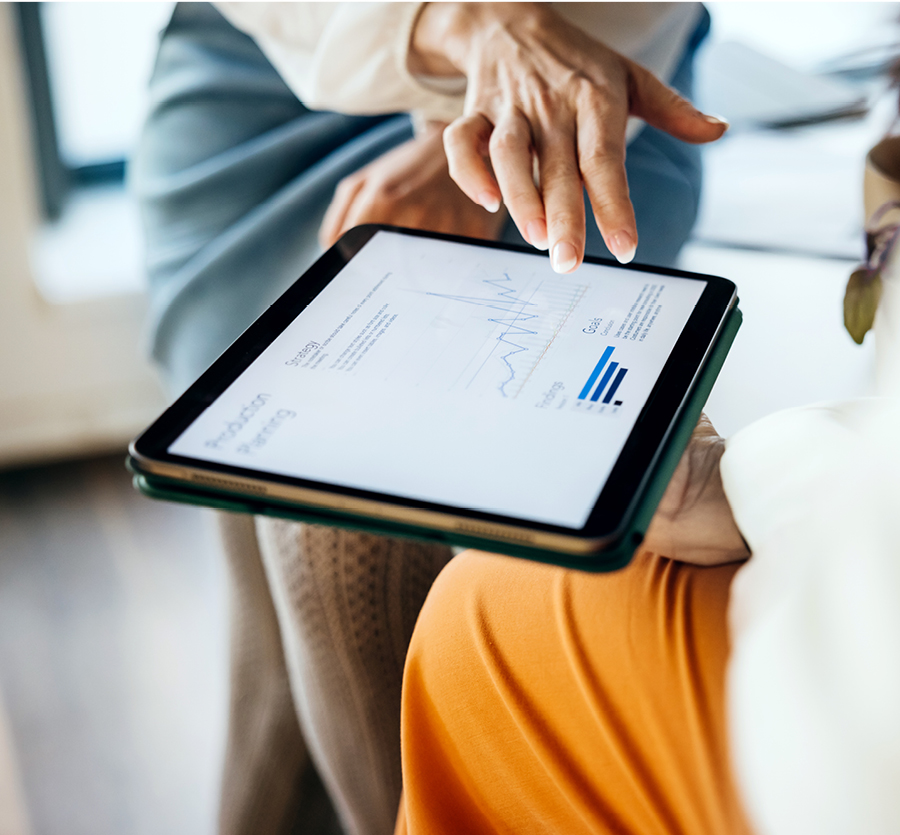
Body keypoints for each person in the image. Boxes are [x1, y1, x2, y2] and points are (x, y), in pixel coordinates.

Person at [131, 4, 726, 833]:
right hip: (273, 65)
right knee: (265, 524)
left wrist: (473, 135)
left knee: (328, 529)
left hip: (591, 64)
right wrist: (460, 20)